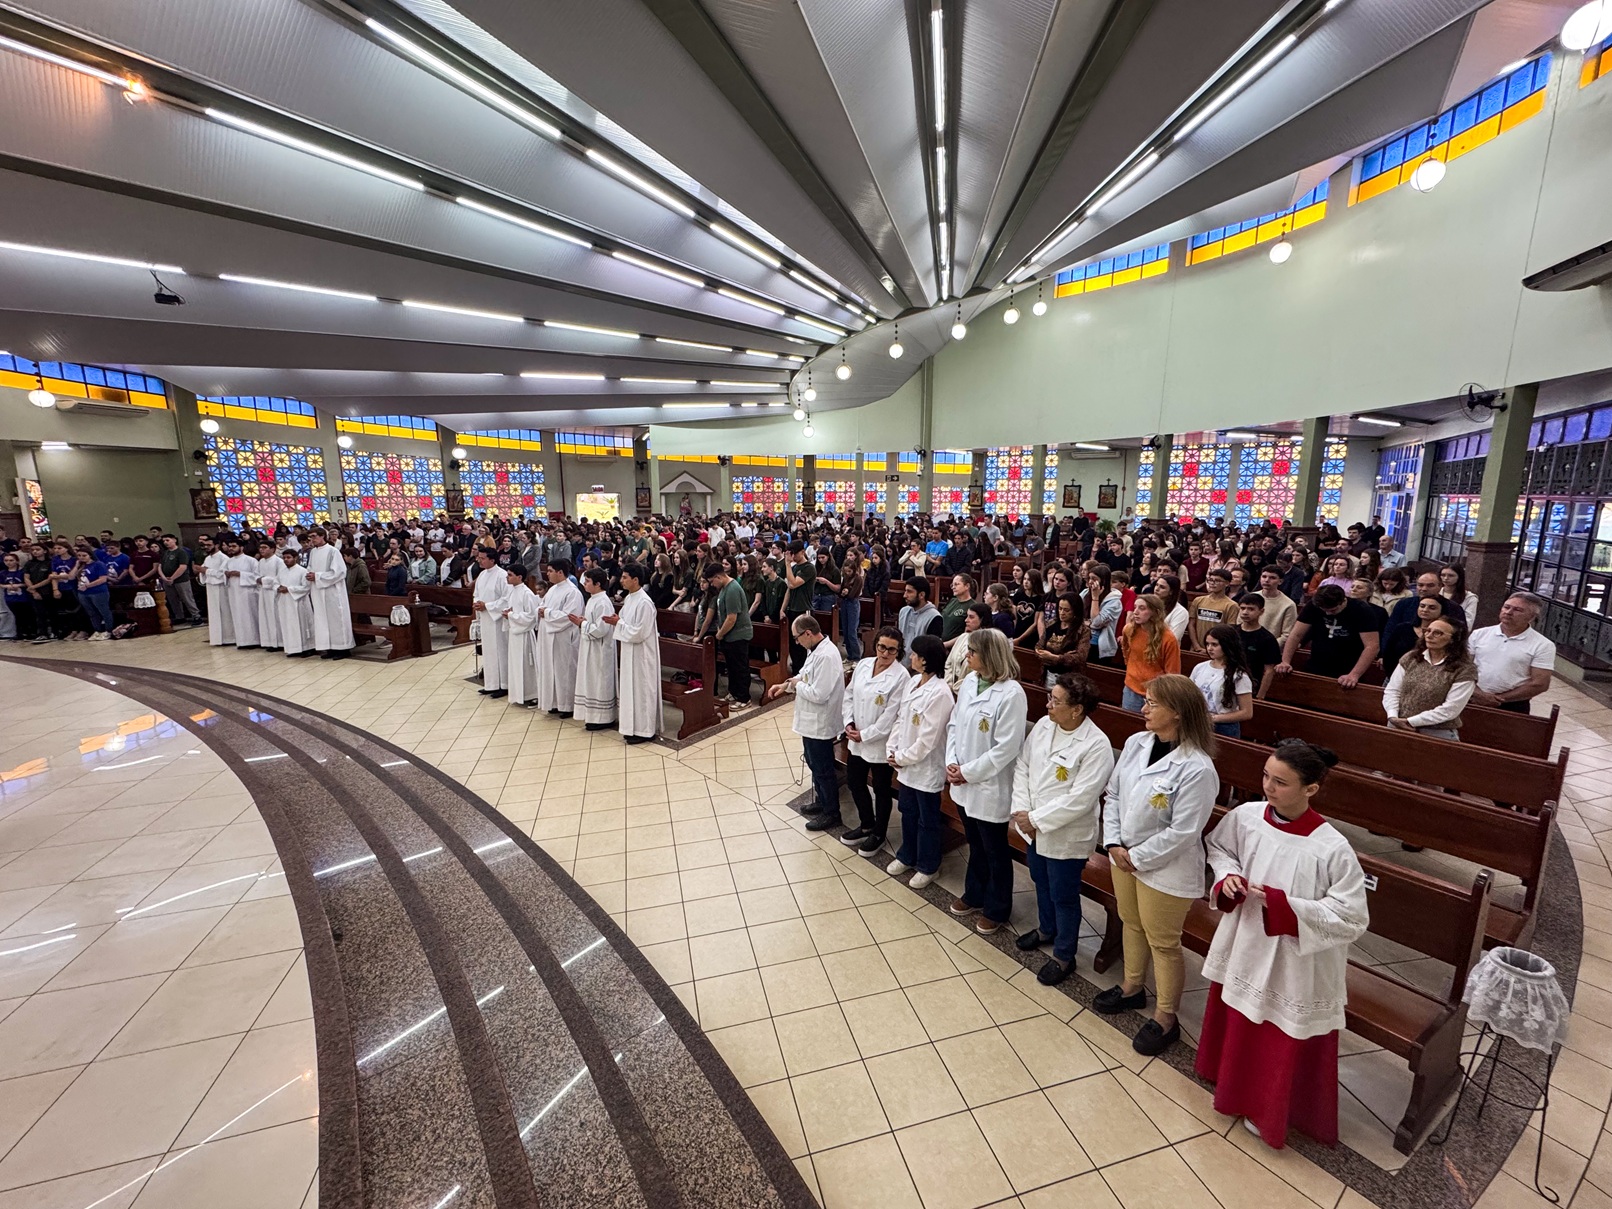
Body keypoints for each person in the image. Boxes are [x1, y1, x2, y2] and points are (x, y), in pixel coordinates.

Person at [1197, 739, 1368, 1148]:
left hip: (1296, 957)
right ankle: (1232, 1087)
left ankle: (1267, 1110)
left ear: (1311, 789)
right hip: (1247, 940)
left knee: (1277, 1034)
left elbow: (1352, 917)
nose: (1268, 787)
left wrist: (1282, 905)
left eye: (1281, 782)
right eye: (1265, 776)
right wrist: (1228, 877)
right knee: (1241, 1017)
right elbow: (1219, 848)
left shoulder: (1332, 848)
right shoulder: (1246, 816)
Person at [1095, 673, 1220, 1055]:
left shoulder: (1197, 768)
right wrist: (1113, 843)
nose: (1144, 709)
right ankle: (1132, 987)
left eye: (1152, 703)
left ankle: (1166, 1017)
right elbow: (1114, 794)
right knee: (1131, 922)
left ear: (1178, 712)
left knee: (1163, 941)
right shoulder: (1138, 742)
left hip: (1165, 868)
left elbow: (1185, 831)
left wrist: (1136, 857)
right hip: (1123, 854)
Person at [1011, 673, 1114, 986]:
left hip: (1066, 835)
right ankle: (1047, 929)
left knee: (1064, 895)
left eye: (1055, 701)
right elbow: (1023, 766)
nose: (1048, 705)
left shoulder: (1096, 745)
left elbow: (1080, 799)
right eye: (1050, 697)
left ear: (1077, 709)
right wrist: (1022, 811)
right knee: (1040, 880)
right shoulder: (1045, 725)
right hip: (1033, 826)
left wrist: (1035, 819)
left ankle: (1064, 955)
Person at [944, 628, 1030, 937]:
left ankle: (997, 908)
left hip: (990, 785)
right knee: (975, 841)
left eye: (973, 652)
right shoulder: (970, 681)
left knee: (994, 849)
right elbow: (955, 724)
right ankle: (974, 893)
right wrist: (951, 762)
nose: (967, 656)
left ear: (990, 656)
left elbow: (1006, 748)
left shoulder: (1012, 694)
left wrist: (967, 772)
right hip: (963, 780)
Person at [886, 634, 954, 890]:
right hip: (905, 765)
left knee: (927, 820)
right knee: (908, 812)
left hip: (925, 768)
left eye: (915, 654)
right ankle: (907, 855)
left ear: (925, 660)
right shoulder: (913, 682)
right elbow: (901, 719)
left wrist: (901, 758)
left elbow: (928, 741)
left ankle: (928, 866)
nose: (911, 657)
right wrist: (892, 748)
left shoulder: (940, 693)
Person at [766, 615, 846, 829]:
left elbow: (819, 694)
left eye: (797, 637)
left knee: (823, 768)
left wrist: (796, 687)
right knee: (812, 762)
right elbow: (805, 675)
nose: (797, 642)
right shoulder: (815, 649)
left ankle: (832, 813)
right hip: (811, 722)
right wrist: (786, 684)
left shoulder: (827, 655)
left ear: (808, 633)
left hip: (821, 722)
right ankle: (822, 801)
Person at [840, 628, 910, 854]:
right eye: (881, 647)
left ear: (899, 651)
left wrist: (866, 734)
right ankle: (866, 824)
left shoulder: (901, 676)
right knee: (855, 782)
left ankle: (879, 833)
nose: (885, 653)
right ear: (875, 645)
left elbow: (891, 716)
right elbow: (849, 695)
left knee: (881, 789)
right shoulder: (863, 665)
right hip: (856, 738)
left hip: (880, 743)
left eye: (892, 649)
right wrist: (849, 723)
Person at [1383, 615, 1476, 741]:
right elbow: (1392, 690)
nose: (1429, 635)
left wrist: (1411, 721)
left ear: (1453, 639)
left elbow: (1451, 708)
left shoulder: (1464, 669)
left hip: (1436, 732)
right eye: (1427, 630)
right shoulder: (1412, 657)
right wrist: (1393, 716)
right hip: (1397, 724)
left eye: (1437, 633)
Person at [1277, 584, 1380, 688]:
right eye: (1324, 610)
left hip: (1348, 666)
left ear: (1343, 601)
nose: (1328, 614)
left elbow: (1372, 646)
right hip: (1317, 663)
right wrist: (1285, 661)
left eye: (1333, 610)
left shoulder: (1362, 610)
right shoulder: (1314, 605)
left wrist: (1354, 675)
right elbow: (1296, 635)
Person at [1469, 591, 1555, 714]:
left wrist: (1498, 699)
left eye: (1517, 610)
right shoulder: (1479, 634)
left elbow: (1540, 683)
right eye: (1506, 607)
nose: (1508, 612)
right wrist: (1478, 693)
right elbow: (1463, 667)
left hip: (1512, 705)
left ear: (1531, 617)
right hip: (1472, 698)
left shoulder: (1543, 645)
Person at [609, 563, 662, 744]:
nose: (621, 581)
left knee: (642, 690)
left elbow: (640, 632)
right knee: (629, 690)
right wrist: (617, 622)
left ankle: (645, 730)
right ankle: (631, 727)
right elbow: (624, 622)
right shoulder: (630, 599)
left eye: (625, 577)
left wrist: (618, 623)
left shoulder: (645, 603)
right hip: (629, 651)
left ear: (636, 580)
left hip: (642, 655)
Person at [573, 568, 619, 731]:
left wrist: (582, 624)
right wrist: (584, 621)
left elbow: (601, 629)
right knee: (591, 681)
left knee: (600, 681)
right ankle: (593, 716)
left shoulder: (603, 602)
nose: (584, 584)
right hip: (590, 647)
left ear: (598, 584)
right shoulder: (593, 599)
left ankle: (604, 718)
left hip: (600, 649)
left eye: (587, 581)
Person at [536, 561, 583, 717]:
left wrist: (546, 613)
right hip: (548, 635)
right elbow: (541, 606)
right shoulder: (552, 589)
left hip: (564, 637)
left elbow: (569, 616)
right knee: (551, 670)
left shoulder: (572, 592)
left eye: (550, 571)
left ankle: (567, 705)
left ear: (560, 572)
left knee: (564, 671)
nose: (547, 574)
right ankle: (554, 702)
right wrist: (541, 611)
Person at [1121, 594, 1181, 712]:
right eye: (1135, 607)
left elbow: (1172, 672)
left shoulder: (1168, 639)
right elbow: (1126, 651)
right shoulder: (1129, 630)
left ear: (1155, 612)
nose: (1135, 612)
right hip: (1131, 687)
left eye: (1142, 608)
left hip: (1156, 692)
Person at [1193, 625, 1255, 738]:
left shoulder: (1239, 675)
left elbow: (1247, 712)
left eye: (1214, 644)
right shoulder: (1200, 667)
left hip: (1224, 727)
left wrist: (1214, 718)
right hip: (1198, 723)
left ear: (1227, 645)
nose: (1209, 648)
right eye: (1207, 644)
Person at [709, 563, 753, 710]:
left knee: (740, 667)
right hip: (729, 636)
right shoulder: (724, 588)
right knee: (732, 667)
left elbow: (732, 618)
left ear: (718, 577)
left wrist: (719, 634)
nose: (712, 585)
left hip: (738, 635)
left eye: (712, 581)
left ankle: (744, 698)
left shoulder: (733, 589)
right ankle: (734, 693)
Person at [471, 548, 510, 696]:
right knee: (488, 652)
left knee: (500, 651)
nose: (479, 560)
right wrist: (477, 603)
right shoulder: (482, 574)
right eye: (479, 558)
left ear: (492, 560)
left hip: (497, 620)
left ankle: (504, 684)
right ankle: (491, 684)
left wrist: (487, 605)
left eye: (482, 558)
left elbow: (506, 599)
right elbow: (476, 594)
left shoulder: (502, 575)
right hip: (485, 618)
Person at [503, 566, 542, 707]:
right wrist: (508, 613)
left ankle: (533, 695)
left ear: (519, 577)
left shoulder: (527, 593)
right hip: (515, 634)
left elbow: (531, 617)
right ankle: (519, 694)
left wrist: (511, 615)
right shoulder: (512, 591)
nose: (507, 577)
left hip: (525, 635)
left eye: (510, 575)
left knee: (527, 666)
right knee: (516, 665)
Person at [1034, 593, 1088, 689]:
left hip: (1070, 679)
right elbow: (1039, 645)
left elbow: (1080, 657)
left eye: (1066, 610)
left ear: (1075, 611)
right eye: (1060, 609)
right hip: (1049, 675)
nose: (1062, 613)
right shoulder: (1051, 624)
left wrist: (1056, 658)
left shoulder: (1082, 630)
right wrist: (1043, 654)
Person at [1234, 593, 1282, 698]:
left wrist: (1260, 696)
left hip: (1252, 685)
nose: (1245, 612)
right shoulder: (1232, 632)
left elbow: (1269, 670)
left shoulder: (1267, 639)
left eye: (1251, 609)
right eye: (1242, 608)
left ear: (1261, 611)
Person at [275, 548, 316, 657]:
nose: (286, 560)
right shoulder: (282, 571)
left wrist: (289, 589)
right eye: (284, 558)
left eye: (288, 557)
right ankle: (293, 648)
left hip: (299, 602)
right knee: (288, 625)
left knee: (302, 625)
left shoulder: (302, 571)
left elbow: (306, 587)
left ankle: (307, 648)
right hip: (285, 602)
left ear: (295, 558)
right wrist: (278, 588)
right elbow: (275, 583)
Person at [944, 601, 992, 689]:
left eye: (971, 617)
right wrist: (948, 685)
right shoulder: (962, 637)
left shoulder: (987, 643)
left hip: (969, 689)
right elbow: (949, 663)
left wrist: (958, 689)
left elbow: (978, 672)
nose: (966, 620)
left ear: (982, 619)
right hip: (949, 687)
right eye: (967, 616)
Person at [1187, 567, 1236, 650]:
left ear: (1227, 583)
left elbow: (1229, 631)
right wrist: (1196, 646)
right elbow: (1191, 624)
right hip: (1197, 648)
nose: (1213, 583)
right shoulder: (1198, 600)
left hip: (1217, 650)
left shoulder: (1231, 605)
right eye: (1210, 580)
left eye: (1217, 580)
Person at [896, 577, 942, 664]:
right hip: (899, 664)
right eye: (905, 591)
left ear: (921, 595)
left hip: (919, 668)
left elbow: (931, 651)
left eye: (909, 592)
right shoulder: (903, 611)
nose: (904, 595)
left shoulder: (935, 617)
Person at [157, 534, 201, 626]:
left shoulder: (181, 552)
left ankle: (196, 616)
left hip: (181, 580)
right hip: (167, 580)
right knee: (173, 599)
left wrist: (172, 577)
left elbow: (183, 567)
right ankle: (179, 616)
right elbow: (160, 566)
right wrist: (164, 577)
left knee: (187, 598)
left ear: (174, 540)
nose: (165, 542)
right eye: (164, 541)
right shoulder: (165, 553)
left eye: (167, 540)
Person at [1085, 565, 1123, 666]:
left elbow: (1096, 622)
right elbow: (1075, 616)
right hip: (1082, 641)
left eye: (1094, 579)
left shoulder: (1115, 602)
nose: (1090, 582)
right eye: (1089, 578)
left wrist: (1095, 598)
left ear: (1103, 581)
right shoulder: (1084, 593)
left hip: (1099, 646)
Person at [203, 539, 234, 646]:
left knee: (224, 612)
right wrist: (201, 571)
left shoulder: (223, 558)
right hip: (211, 587)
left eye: (209, 545)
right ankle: (216, 638)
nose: (206, 547)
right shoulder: (207, 558)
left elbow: (222, 574)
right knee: (214, 613)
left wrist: (206, 571)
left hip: (221, 588)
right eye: (205, 545)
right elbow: (204, 571)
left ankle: (229, 638)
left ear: (217, 545)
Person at [1254, 568, 1297, 641]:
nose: (1266, 580)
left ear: (1280, 581)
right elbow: (1240, 623)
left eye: (1272, 578)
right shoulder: (1251, 597)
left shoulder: (1288, 604)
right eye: (1264, 576)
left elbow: (1287, 634)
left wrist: (1272, 645)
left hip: (1271, 645)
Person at [255, 541, 282, 652]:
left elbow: (280, 577)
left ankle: (279, 642)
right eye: (260, 547)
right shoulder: (261, 561)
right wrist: (258, 579)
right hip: (263, 592)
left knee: (275, 617)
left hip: (274, 593)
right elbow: (256, 574)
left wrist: (264, 580)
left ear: (273, 549)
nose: (261, 549)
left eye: (265, 547)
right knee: (265, 616)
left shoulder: (278, 561)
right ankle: (269, 642)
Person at [941, 574, 976, 646]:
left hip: (956, 646)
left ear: (967, 586)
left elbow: (968, 633)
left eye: (956, 584)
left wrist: (946, 644)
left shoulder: (972, 606)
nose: (953, 587)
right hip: (941, 643)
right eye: (952, 585)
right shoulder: (952, 601)